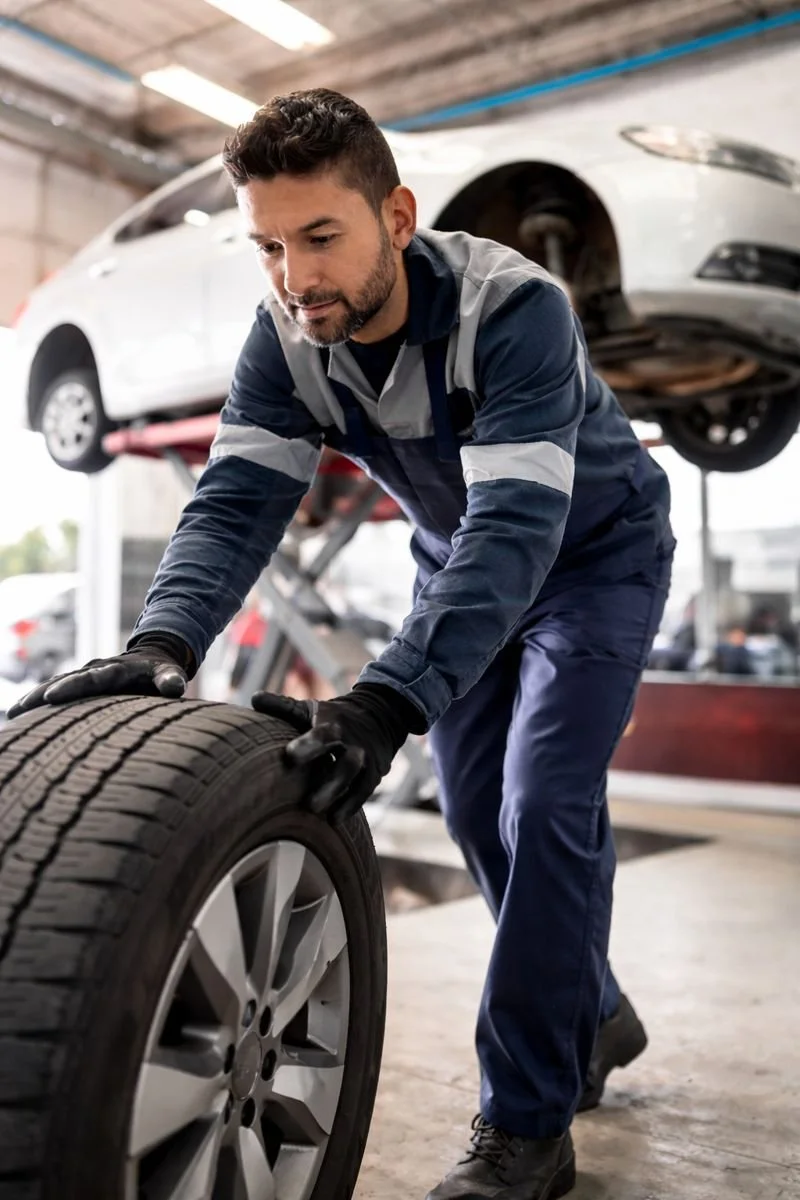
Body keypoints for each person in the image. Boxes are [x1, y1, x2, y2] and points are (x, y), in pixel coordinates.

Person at [10, 89, 675, 1199]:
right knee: (466, 811)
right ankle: (588, 1007)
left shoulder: (512, 311)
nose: (295, 274)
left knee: (540, 802)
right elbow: (231, 506)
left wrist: (385, 698)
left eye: (321, 236)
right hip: (459, 558)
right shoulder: (286, 338)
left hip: (590, 561)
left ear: (397, 218)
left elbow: (516, 526)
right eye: (270, 244)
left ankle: (525, 1129)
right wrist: (163, 640)